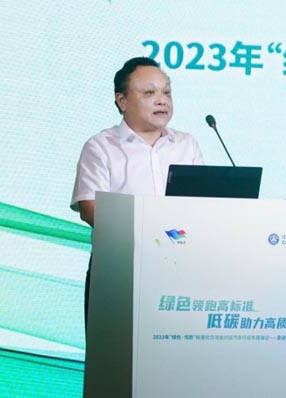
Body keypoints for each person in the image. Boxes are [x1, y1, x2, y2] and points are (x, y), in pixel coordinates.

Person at [71, 56, 204, 327]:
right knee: (115, 351)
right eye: (149, 93)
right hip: (119, 271)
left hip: (179, 268)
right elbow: (90, 209)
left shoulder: (186, 145)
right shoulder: (101, 147)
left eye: (167, 92)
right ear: (122, 101)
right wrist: (152, 232)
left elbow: (203, 205)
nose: (162, 100)